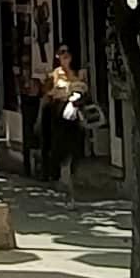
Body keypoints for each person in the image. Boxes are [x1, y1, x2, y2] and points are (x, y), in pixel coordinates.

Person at [45, 52, 89, 196]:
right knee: (59, 145)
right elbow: (48, 93)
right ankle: (58, 176)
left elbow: (84, 89)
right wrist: (62, 93)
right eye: (62, 55)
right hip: (60, 113)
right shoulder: (55, 74)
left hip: (75, 113)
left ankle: (72, 173)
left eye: (68, 55)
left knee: (75, 144)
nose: (66, 58)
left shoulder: (77, 73)